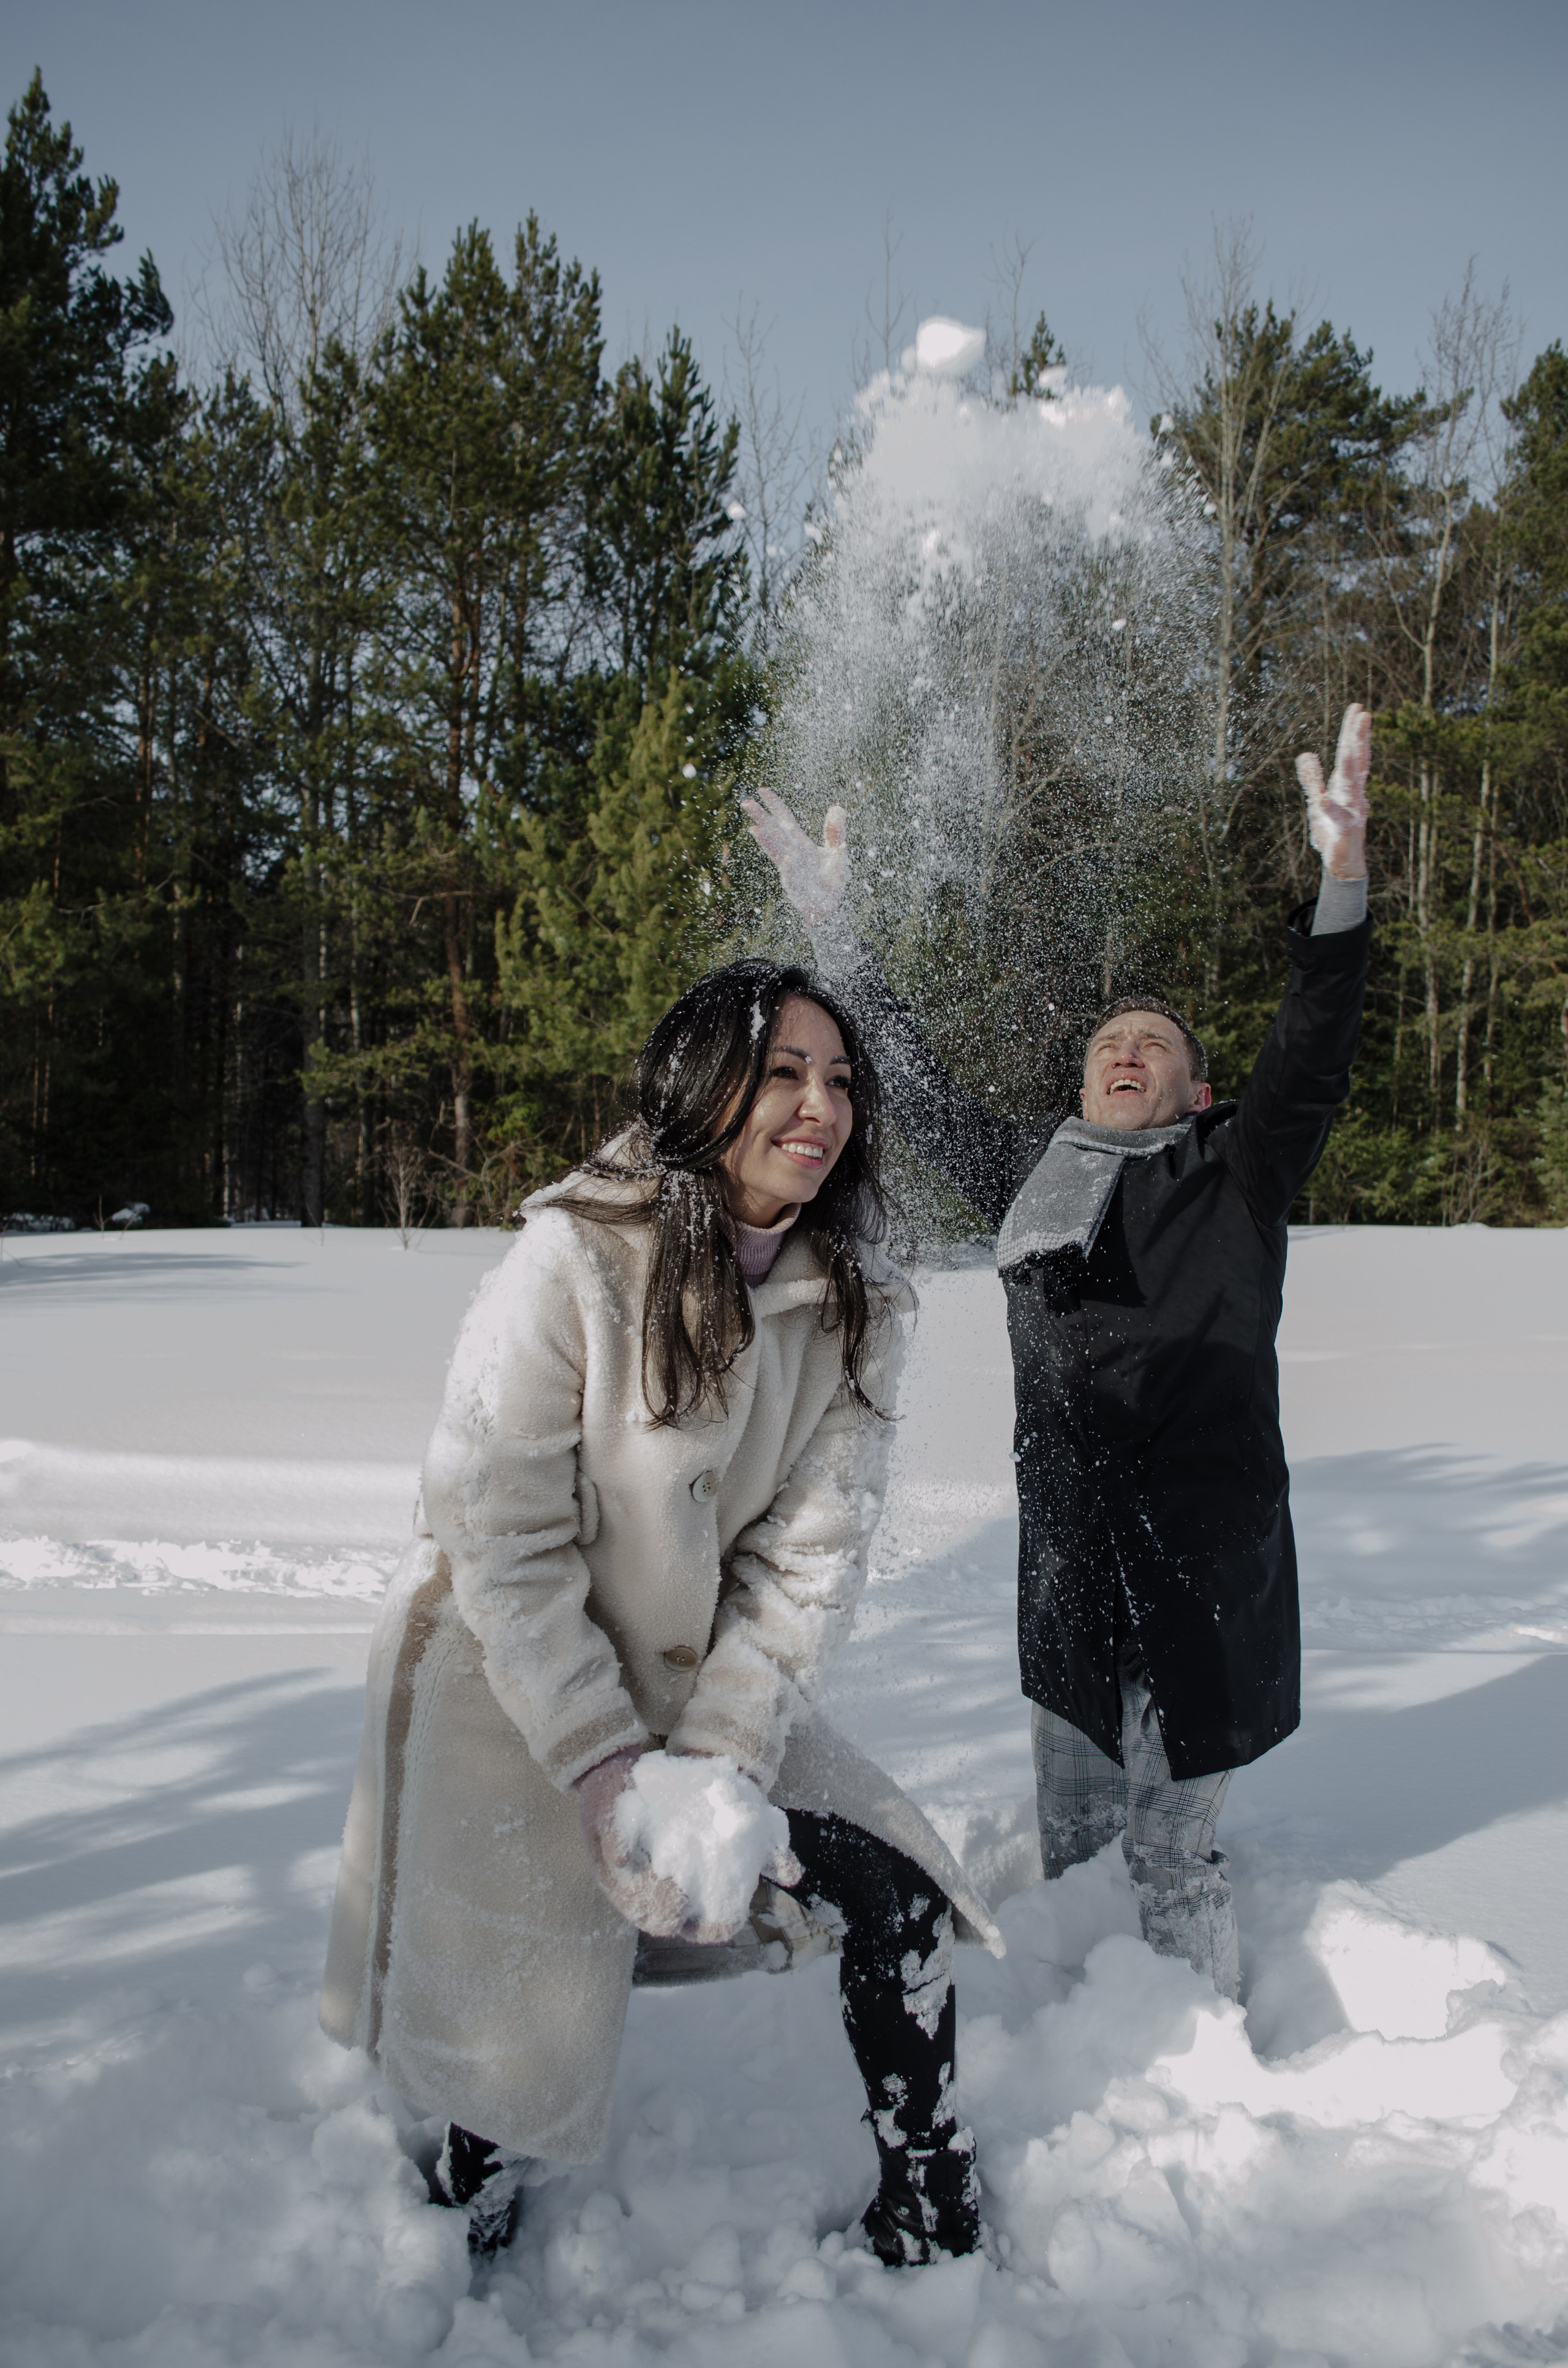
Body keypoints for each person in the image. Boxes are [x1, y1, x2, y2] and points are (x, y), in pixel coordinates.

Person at [320, 958, 1002, 2269]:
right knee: (523, 2006)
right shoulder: (571, 1256)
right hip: (518, 1683)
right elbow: (496, 1531)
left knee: (893, 1889)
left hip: (704, 1700)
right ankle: (465, 2206)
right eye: (785, 1072)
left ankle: (931, 2189)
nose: (822, 1107)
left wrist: (725, 1753)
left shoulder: (857, 1300)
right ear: (704, 1086)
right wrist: (600, 1758)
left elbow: (810, 1561)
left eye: (841, 1080)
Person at [744, 706, 1374, 2000]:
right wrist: (833, 938)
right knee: (1076, 1846)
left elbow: (1309, 1052)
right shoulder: (1033, 1174)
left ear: (1195, 1092)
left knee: (1169, 1853)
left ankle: (1190, 2062)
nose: (1123, 1050)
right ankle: (1068, 2055)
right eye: (1103, 1045)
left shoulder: (1234, 1171)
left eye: (1152, 1045)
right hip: (1072, 1567)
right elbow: (906, 1085)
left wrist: (1342, 881)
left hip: (1205, 1564)